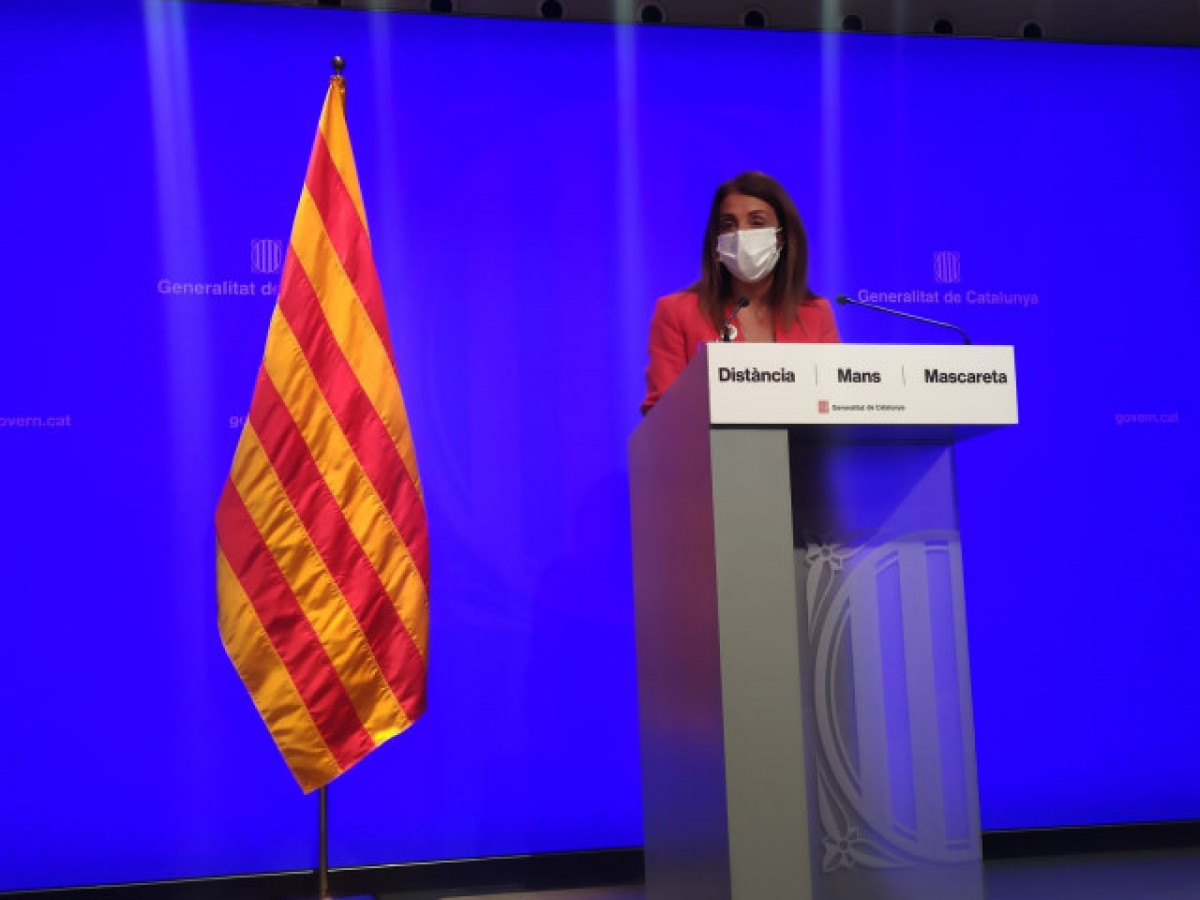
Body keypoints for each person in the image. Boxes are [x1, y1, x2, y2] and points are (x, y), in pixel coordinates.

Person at [640, 171, 840, 414]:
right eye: (728, 224)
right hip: (704, 440)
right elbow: (660, 413)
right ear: (716, 241)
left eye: (757, 223)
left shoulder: (816, 314)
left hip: (800, 440)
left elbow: (835, 404)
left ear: (783, 237)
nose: (741, 234)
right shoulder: (676, 312)